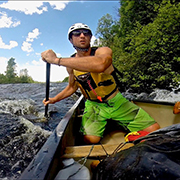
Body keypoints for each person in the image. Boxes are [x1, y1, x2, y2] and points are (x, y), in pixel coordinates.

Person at [41, 23, 160, 144]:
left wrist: (57, 61)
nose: (82, 36)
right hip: (94, 105)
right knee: (90, 140)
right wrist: (54, 100)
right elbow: (72, 87)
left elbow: (101, 64)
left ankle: (116, 122)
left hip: (116, 101)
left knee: (154, 130)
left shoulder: (103, 51)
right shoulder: (71, 65)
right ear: (71, 40)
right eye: (77, 33)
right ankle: (113, 123)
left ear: (90, 37)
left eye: (86, 33)